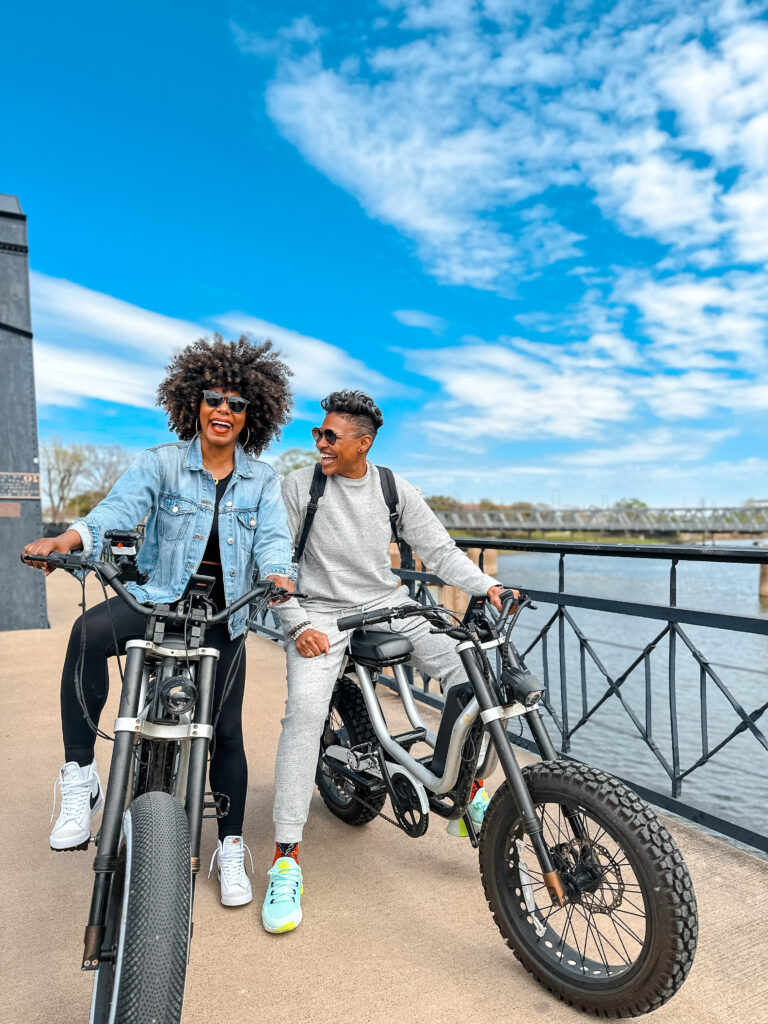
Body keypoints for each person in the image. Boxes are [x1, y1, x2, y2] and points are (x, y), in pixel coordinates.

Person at [23, 334, 295, 908]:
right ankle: (80, 777)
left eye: (237, 403)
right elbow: (115, 511)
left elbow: (273, 540)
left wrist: (278, 574)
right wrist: (67, 541)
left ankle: (229, 845)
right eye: (214, 398)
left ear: (254, 415)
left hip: (223, 615)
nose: (224, 411)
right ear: (194, 402)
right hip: (156, 601)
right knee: (86, 636)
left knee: (225, 731)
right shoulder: (162, 462)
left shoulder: (263, 479)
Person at [261, 389, 510, 934]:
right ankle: (286, 857)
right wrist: (296, 624)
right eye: (317, 434)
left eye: (330, 436)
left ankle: (464, 788)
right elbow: (274, 562)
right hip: (318, 612)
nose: (319, 443)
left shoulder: (393, 487)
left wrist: (488, 585)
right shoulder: (297, 487)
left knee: (473, 674)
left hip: (388, 604)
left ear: (362, 444)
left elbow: (441, 552)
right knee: (304, 714)